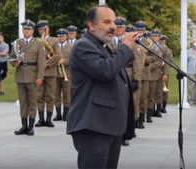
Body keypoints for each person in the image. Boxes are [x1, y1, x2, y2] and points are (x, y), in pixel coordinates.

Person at [67, 5, 137, 169]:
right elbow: (105, 71)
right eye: (107, 22)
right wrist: (125, 47)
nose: (113, 26)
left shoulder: (103, 46)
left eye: (114, 21)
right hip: (94, 126)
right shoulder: (83, 46)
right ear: (92, 25)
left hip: (110, 126)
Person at [111, 17, 144, 146]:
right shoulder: (109, 41)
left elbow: (138, 62)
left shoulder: (132, 42)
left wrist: (136, 78)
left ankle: (126, 133)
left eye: (121, 26)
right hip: (113, 76)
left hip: (128, 75)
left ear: (125, 27)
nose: (118, 29)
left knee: (128, 105)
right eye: (117, 26)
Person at [9, 19, 45, 136]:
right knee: (23, 102)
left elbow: (41, 61)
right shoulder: (17, 43)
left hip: (33, 75)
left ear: (32, 30)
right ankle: (23, 125)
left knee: (32, 102)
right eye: (25, 29)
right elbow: (11, 58)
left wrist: (40, 76)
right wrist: (15, 63)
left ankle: (31, 126)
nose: (27, 31)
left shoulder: (38, 43)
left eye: (29, 29)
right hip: (20, 75)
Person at [36, 20, 61, 127]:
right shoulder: (36, 41)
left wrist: (47, 63)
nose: (42, 31)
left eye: (44, 29)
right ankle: (41, 119)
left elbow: (58, 55)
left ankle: (49, 119)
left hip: (50, 71)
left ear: (48, 29)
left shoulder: (54, 40)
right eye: (40, 29)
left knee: (50, 96)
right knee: (39, 96)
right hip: (39, 72)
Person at [55, 28, 72, 121]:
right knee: (56, 94)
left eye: (62, 36)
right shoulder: (55, 46)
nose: (61, 37)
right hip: (56, 73)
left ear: (66, 36)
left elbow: (74, 59)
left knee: (67, 94)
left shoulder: (71, 46)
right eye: (59, 36)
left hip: (67, 73)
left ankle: (66, 114)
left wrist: (65, 61)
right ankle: (58, 114)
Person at [159, 34, 173, 112]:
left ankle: (164, 106)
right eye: (160, 41)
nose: (161, 43)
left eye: (163, 41)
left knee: (164, 90)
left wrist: (166, 72)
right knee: (157, 90)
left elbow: (169, 62)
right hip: (157, 71)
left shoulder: (168, 51)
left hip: (165, 71)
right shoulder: (156, 49)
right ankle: (157, 105)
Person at [187, 40, 196, 105]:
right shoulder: (188, 52)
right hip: (191, 70)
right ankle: (191, 99)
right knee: (191, 85)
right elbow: (186, 61)